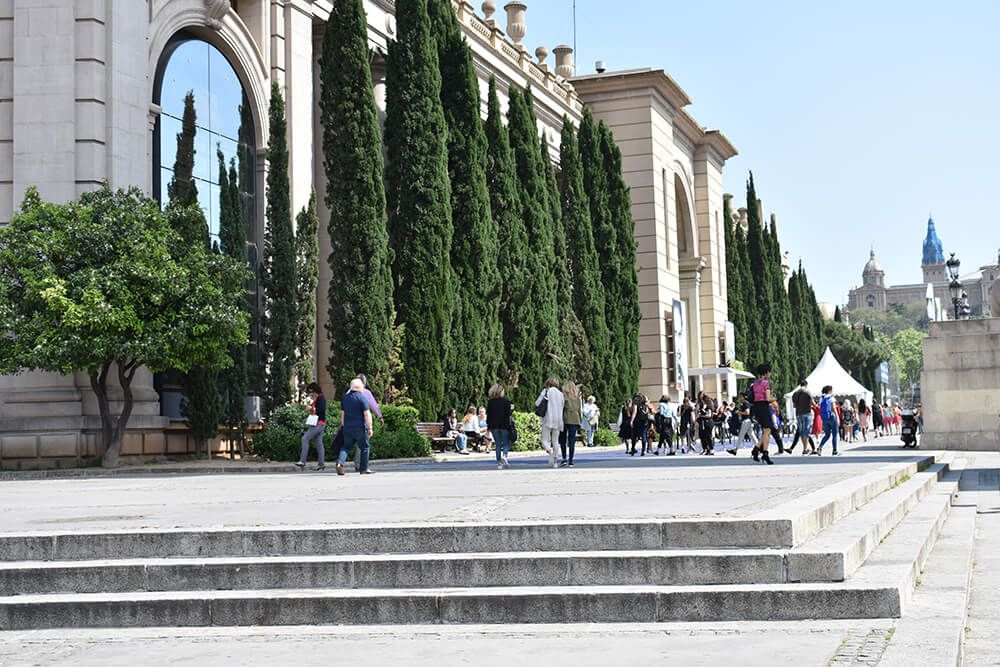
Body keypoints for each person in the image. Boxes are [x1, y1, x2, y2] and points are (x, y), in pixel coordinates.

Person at [336, 378, 374, 475]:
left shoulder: (345, 398)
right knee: (365, 447)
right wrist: (370, 428)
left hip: (347, 427)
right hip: (359, 427)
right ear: (360, 387)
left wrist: (343, 425)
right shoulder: (362, 398)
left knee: (346, 447)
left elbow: (342, 414)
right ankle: (363, 469)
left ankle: (340, 463)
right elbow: (367, 414)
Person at [296, 382, 327, 470]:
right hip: (318, 424)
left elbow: (321, 410)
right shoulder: (318, 399)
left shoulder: (321, 399)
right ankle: (321, 464)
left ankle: (302, 461)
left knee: (305, 438)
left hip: (318, 424)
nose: (310, 394)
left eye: (311, 392)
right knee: (319, 444)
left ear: (315, 391)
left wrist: (311, 408)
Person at [749, 363, 776, 465]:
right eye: (769, 371)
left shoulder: (755, 383)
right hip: (764, 407)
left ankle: (758, 451)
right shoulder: (766, 383)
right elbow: (768, 399)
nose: (770, 373)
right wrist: (775, 399)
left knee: (766, 431)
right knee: (767, 431)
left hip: (756, 407)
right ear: (767, 372)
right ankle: (763, 453)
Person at [536, 377, 565, 468]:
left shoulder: (546, 391)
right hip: (558, 419)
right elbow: (563, 405)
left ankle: (551, 453)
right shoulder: (561, 394)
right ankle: (555, 460)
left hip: (547, 418)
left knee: (544, 440)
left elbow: (537, 403)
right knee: (555, 441)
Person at [486, 384, 513, 470]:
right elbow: (508, 414)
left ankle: (499, 463)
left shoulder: (490, 402)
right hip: (504, 425)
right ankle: (504, 456)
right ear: (501, 392)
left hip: (494, 426)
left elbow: (489, 415)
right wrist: (512, 409)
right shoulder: (506, 402)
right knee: (505, 443)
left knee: (497, 444)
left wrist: (488, 427)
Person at [790, 380, 816, 455]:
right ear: (806, 385)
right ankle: (805, 449)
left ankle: (805, 448)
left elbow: (794, 406)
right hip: (807, 414)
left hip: (798, 414)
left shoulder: (795, 393)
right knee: (806, 432)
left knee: (801, 432)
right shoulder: (807, 392)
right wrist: (810, 405)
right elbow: (814, 404)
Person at [560, 381, 583, 467]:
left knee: (563, 439)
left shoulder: (563, 396)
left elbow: (561, 408)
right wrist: (580, 420)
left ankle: (564, 458)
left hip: (565, 418)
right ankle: (571, 460)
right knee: (572, 440)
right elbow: (580, 409)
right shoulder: (577, 397)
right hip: (575, 419)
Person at [816, 385, 840, 456]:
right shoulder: (831, 397)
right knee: (835, 434)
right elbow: (833, 408)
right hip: (832, 417)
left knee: (827, 434)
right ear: (829, 391)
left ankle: (820, 447)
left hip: (824, 418)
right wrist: (837, 417)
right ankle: (834, 450)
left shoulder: (821, 398)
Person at [631, 392, 651, 456]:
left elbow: (634, 413)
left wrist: (631, 421)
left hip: (637, 422)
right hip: (644, 422)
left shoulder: (635, 404)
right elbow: (647, 413)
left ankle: (633, 449)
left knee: (634, 436)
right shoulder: (645, 405)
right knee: (643, 435)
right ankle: (643, 450)